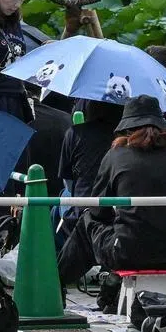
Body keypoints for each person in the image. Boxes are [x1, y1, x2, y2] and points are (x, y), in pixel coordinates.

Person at [57, 95, 166, 290]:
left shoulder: (115, 154)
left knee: (86, 220)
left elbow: (99, 209)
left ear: (126, 128)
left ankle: (57, 285)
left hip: (128, 253)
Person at [57, 99, 125, 233]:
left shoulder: (75, 133)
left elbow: (68, 182)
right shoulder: (128, 138)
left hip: (83, 208)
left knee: (62, 197)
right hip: (120, 208)